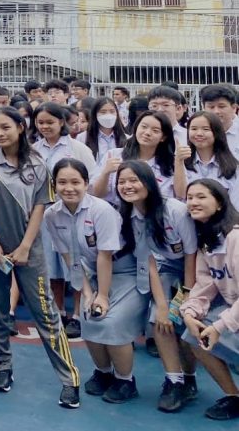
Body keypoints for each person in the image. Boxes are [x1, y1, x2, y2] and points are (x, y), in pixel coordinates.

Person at [0, 107, 81, 408]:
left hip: (30, 250)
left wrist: (24, 247)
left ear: (21, 128)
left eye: (5, 127)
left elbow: (39, 208)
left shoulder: (38, 163)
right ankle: (2, 368)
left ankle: (69, 379)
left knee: (46, 314)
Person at [44, 158, 146, 404]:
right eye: (62, 182)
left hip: (125, 272)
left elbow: (105, 256)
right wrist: (88, 293)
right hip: (90, 273)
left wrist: (102, 295)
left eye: (75, 182)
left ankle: (126, 380)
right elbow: (70, 258)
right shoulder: (52, 215)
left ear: (86, 183)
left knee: (111, 322)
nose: (69, 188)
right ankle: (103, 373)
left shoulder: (101, 210)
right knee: (88, 318)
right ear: (54, 185)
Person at [115, 160, 198, 412]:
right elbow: (149, 259)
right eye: (121, 182)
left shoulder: (175, 210)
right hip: (165, 267)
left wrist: (184, 297)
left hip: (194, 267)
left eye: (133, 180)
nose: (127, 186)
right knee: (158, 320)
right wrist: (162, 305)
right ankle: (174, 381)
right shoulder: (131, 215)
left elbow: (192, 255)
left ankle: (190, 380)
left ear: (148, 182)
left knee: (185, 320)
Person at [32, 102, 96, 336]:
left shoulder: (78, 149)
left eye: (50, 122)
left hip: (75, 213)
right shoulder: (33, 150)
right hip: (45, 214)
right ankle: (57, 310)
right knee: (51, 265)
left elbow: (92, 179)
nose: (45, 126)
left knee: (76, 263)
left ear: (62, 122)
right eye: (40, 122)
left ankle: (78, 313)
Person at [180, 179, 239, 420]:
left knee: (213, 330)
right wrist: (190, 312)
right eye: (190, 197)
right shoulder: (207, 239)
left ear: (219, 204)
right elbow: (204, 284)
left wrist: (219, 326)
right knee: (193, 336)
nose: (193, 202)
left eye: (201, 197)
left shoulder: (235, 237)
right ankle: (234, 397)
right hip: (232, 308)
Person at [187, 110, 239, 209]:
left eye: (206, 129)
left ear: (217, 132)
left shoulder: (233, 168)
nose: (199, 133)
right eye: (193, 129)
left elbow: (235, 206)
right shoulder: (180, 163)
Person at [79, 97, 128, 167]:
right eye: (103, 112)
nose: (108, 115)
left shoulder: (127, 139)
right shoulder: (83, 138)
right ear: (95, 114)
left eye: (112, 111)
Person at [200, 84, 239, 159]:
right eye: (211, 107)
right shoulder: (196, 134)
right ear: (203, 108)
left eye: (221, 106)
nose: (216, 111)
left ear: (234, 108)